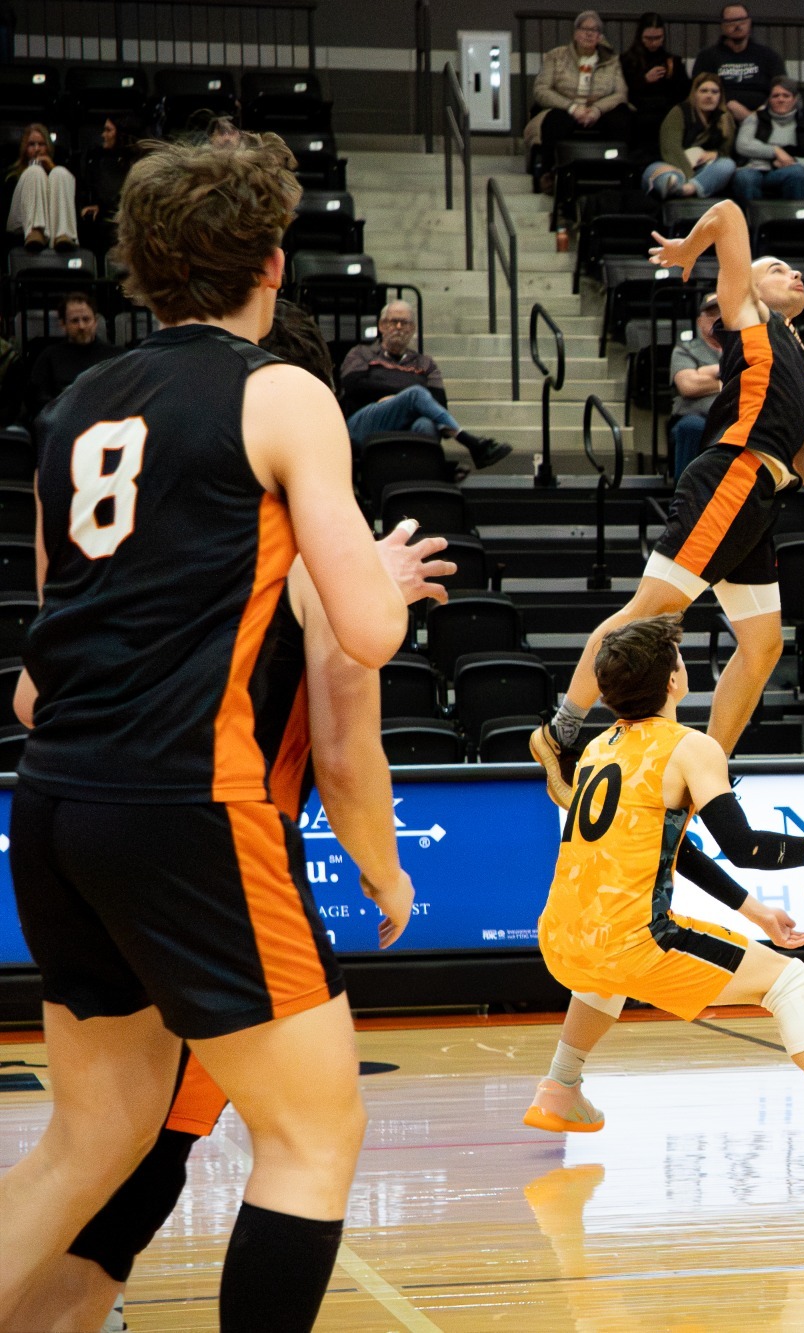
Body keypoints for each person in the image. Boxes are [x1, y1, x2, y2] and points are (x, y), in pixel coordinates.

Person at [0, 132, 425, 1333]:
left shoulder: (76, 404)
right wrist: (379, 570)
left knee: (90, 1140)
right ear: (274, 264)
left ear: (136, 266)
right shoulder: (280, 391)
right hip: (194, 800)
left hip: (56, 799)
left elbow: (40, 672)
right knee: (312, 1133)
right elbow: (369, 630)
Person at [531, 198, 804, 803]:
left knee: (764, 644)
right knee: (650, 614)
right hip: (730, 478)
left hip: (762, 500)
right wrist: (693, 247)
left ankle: (708, 769)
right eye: (777, 268)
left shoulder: (798, 361)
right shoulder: (750, 316)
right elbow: (728, 214)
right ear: (751, 288)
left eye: (795, 270)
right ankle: (560, 732)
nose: (794, 274)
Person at [525, 615, 804, 1171]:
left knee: (605, 971)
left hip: (562, 937)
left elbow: (679, 852)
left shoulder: (601, 746)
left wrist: (756, 911)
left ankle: (559, 1088)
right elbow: (742, 846)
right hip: (633, 941)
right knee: (790, 982)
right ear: (674, 681)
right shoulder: (690, 748)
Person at [338, 300, 512, 470]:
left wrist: (401, 400)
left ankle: (428, 478)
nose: (398, 327)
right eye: (393, 322)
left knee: (426, 424)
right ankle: (469, 442)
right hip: (365, 421)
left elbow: (439, 403)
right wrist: (403, 399)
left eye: (404, 323)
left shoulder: (425, 364)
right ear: (382, 326)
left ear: (412, 329)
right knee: (416, 394)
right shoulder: (361, 353)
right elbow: (354, 386)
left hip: (410, 421)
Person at [528, 10, 634, 192]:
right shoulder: (556, 56)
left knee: (623, 119)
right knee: (554, 122)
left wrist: (597, 110)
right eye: (585, 29)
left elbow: (621, 93)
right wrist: (572, 107)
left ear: (600, 36)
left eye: (594, 30)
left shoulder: (612, 61)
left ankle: (620, 174)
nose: (589, 33)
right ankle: (549, 176)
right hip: (565, 108)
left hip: (598, 110)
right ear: (575, 33)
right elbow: (541, 90)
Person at [731, 76, 804, 202]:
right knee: (743, 177)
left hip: (785, 172)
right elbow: (742, 145)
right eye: (775, 96)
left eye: (786, 96)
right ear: (769, 100)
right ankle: (751, 220)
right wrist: (775, 151)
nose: (780, 99)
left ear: (795, 99)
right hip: (754, 170)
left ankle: (794, 219)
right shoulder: (755, 119)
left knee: (797, 173)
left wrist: (792, 161)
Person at [644, 72, 737, 200]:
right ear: (695, 94)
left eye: (714, 92)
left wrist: (716, 154)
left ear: (720, 96)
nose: (709, 96)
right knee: (663, 175)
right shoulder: (679, 112)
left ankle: (685, 190)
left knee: (727, 165)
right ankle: (676, 185)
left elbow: (726, 152)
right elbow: (671, 150)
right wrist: (688, 176)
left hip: (703, 171)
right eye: (704, 91)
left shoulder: (725, 118)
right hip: (672, 165)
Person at [27, 292, 119, 418]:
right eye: (75, 321)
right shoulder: (49, 357)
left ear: (95, 322)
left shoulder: (116, 356)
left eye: (86, 319)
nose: (81, 326)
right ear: (63, 324)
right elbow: (37, 403)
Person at [694, 3, 788, 124]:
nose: (737, 25)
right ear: (722, 25)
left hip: (764, 118)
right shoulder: (707, 56)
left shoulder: (768, 55)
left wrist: (760, 112)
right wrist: (728, 104)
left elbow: (783, 87)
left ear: (749, 22)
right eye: (731, 21)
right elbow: (699, 89)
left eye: (741, 20)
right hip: (720, 116)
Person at [669, 290, 726, 476]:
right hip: (696, 416)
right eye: (711, 314)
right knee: (692, 427)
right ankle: (684, 498)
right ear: (699, 321)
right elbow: (689, 386)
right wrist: (727, 379)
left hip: (736, 415)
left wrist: (705, 372)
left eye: (722, 312)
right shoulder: (685, 349)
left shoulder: (742, 347)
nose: (717, 318)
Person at [621, 11, 690, 160]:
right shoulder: (627, 60)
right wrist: (644, 79)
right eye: (648, 38)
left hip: (665, 109)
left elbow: (683, 92)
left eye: (658, 38)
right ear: (640, 36)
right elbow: (624, 91)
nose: (653, 42)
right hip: (638, 110)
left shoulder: (673, 61)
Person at [6, 123, 78, 252]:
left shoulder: (56, 171)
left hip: (53, 225)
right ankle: (35, 231)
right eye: (31, 144)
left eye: (41, 144)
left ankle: (63, 234)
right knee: (34, 171)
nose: (37, 149)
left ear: (48, 147)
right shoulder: (12, 176)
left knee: (60, 172)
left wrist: (52, 168)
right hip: (20, 224)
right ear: (25, 148)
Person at [77, 116, 142, 256]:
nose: (103, 135)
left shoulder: (135, 163)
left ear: (120, 134)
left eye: (108, 130)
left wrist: (103, 207)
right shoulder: (97, 160)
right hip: (106, 216)